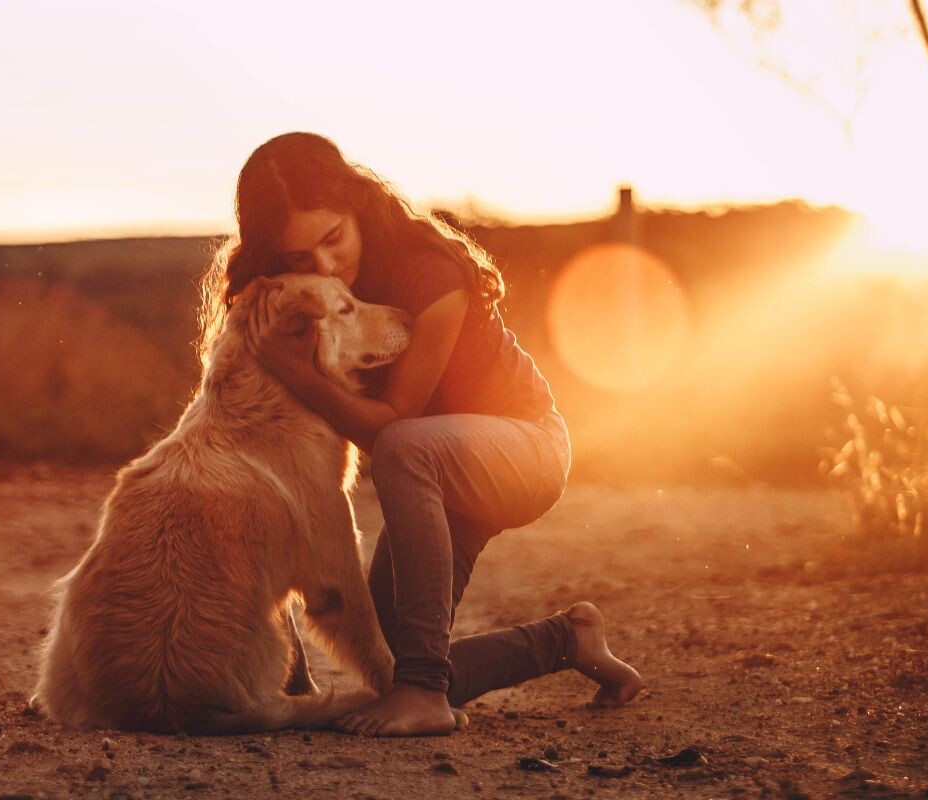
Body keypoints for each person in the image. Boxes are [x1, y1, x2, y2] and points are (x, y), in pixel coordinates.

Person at [197, 132, 643, 737]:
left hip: (524, 448)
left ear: (357, 203)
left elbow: (394, 424)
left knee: (405, 447)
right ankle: (568, 640)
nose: (324, 265)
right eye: (300, 256)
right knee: (391, 661)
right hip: (435, 468)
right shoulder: (296, 296)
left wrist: (295, 372)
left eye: (333, 238)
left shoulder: (429, 273)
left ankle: (425, 696)